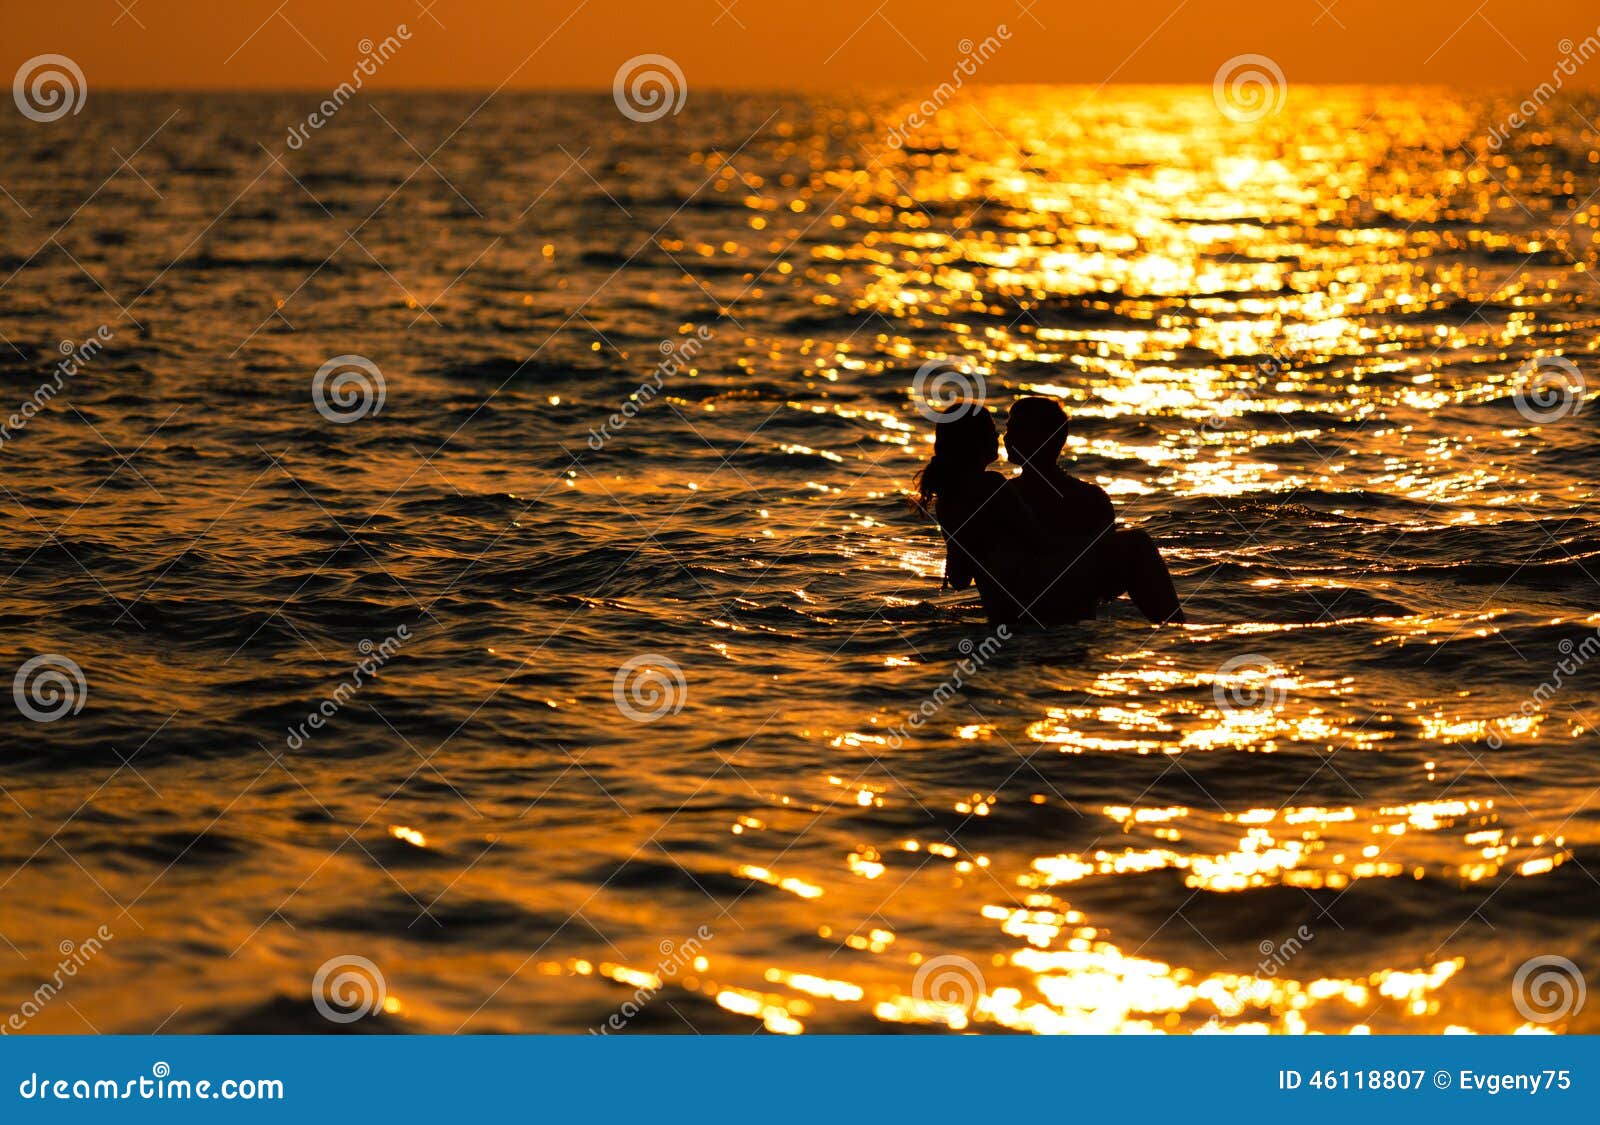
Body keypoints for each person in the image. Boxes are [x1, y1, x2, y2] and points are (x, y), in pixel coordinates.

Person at [1001, 396, 1186, 624]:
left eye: (1017, 429)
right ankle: (1174, 628)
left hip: (1057, 603)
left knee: (1137, 543)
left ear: (1047, 438)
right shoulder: (1004, 494)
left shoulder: (1087, 498)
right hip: (1035, 601)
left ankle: (1173, 628)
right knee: (1137, 544)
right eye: (1008, 430)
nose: (1007, 438)